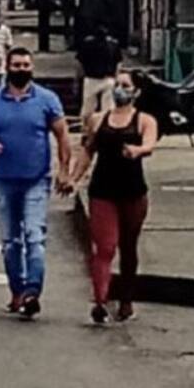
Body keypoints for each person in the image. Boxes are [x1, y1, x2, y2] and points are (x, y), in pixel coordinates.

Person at [0, 47, 73, 321]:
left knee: (35, 238)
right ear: (7, 67)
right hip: (3, 179)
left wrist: (65, 171)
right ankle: (16, 290)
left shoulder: (47, 99)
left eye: (26, 64)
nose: (21, 69)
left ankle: (32, 292)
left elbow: (63, 135)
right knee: (10, 243)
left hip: (37, 180)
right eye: (16, 65)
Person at [67, 70, 158, 324]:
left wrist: (137, 150)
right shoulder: (97, 120)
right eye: (117, 85)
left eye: (126, 86)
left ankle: (126, 298)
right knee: (104, 248)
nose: (120, 90)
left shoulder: (144, 120)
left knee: (128, 247)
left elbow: (149, 145)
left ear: (136, 92)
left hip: (133, 192)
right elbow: (87, 152)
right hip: (102, 191)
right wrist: (74, 178)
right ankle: (100, 300)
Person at [77, 25, 123, 131]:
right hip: (108, 78)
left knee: (88, 106)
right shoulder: (113, 45)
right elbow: (119, 63)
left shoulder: (87, 44)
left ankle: (87, 128)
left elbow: (80, 62)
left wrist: (79, 77)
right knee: (108, 106)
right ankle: (107, 127)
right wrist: (116, 77)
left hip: (91, 78)